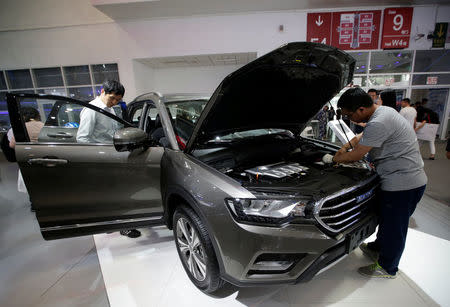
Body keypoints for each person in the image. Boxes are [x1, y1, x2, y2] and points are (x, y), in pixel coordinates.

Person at [332, 87, 427, 279]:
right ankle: (378, 247)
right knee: (387, 218)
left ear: (360, 109)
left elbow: (358, 154)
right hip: (401, 178)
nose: (350, 119)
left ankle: (387, 267)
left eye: (350, 115)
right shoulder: (384, 111)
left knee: (395, 227)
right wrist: (345, 146)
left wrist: (334, 160)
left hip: (403, 183)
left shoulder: (380, 121)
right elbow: (360, 138)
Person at [77, 80, 141, 239]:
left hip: (116, 156)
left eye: (118, 100)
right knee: (114, 194)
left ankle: (116, 222)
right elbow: (82, 139)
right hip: (102, 159)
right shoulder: (92, 110)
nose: (114, 102)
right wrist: (100, 153)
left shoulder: (111, 109)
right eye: (112, 98)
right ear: (102, 92)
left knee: (118, 193)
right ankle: (121, 225)